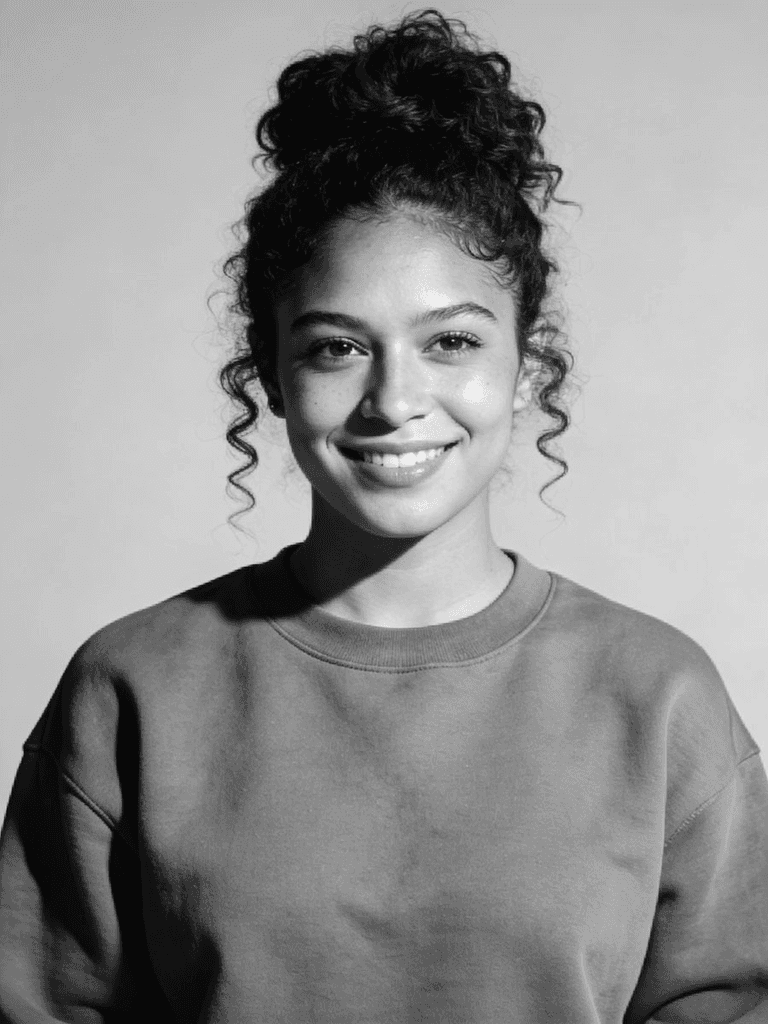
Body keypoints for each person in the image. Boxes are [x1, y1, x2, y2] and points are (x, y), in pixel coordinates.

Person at [1, 9, 766, 1023]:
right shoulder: (131, 691)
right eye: (337, 347)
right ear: (272, 374)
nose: (394, 400)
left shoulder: (660, 697)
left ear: (527, 366)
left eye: (451, 341)